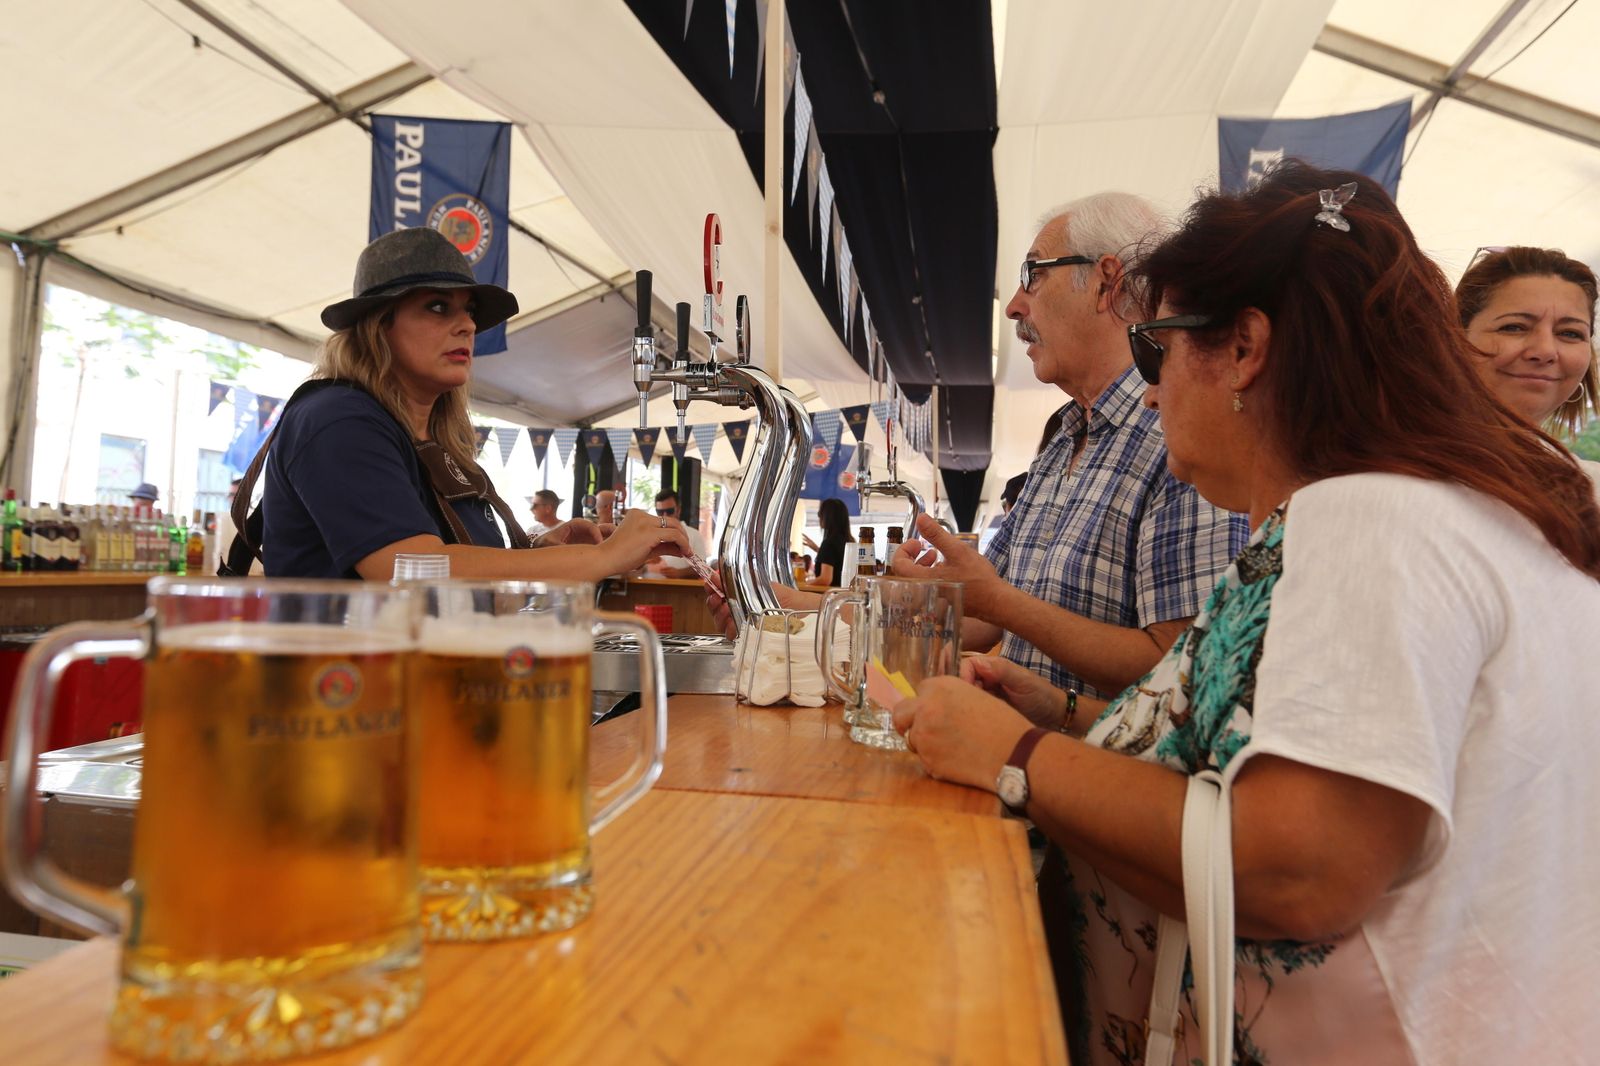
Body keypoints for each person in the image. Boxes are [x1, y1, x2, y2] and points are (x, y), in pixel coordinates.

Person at [891, 162, 1600, 1063]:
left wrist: (1012, 754)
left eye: (1156, 350)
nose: (1149, 391)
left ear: (1244, 350)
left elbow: (1297, 869)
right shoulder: (1457, 507)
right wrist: (1062, 714)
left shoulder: (1371, 518)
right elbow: (1265, 757)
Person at [891, 192, 1246, 697]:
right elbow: (985, 616)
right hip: (1011, 754)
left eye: (1033, 273)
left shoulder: (1177, 435)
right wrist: (812, 605)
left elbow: (1181, 670)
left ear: (1106, 282)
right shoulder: (1064, 440)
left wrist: (995, 602)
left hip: (1090, 771)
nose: (1014, 306)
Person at [257, 227, 686, 580]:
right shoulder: (338, 420)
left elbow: (452, 562)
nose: (466, 325)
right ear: (378, 325)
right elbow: (411, 569)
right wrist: (602, 559)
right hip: (341, 682)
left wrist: (539, 549)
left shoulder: (427, 435)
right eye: (438, 307)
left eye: (469, 312)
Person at [1455, 245, 1599, 491]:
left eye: (1569, 333)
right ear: (1456, 338)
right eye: (1514, 327)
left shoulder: (1590, 486)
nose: (1545, 351)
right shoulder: (1397, 472)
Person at [647, 489, 708, 574]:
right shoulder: (648, 534)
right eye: (660, 512)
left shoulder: (694, 535)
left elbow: (703, 568)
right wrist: (645, 559)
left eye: (669, 511)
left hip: (679, 587)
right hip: (645, 585)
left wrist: (680, 573)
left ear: (678, 510)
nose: (665, 516)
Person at [804, 497, 853, 588]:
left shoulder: (829, 543)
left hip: (831, 597)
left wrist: (805, 583)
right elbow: (838, 561)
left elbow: (825, 579)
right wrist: (818, 549)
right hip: (846, 594)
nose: (819, 517)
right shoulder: (850, 541)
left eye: (820, 514)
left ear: (827, 516)